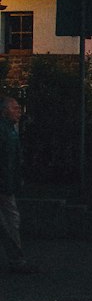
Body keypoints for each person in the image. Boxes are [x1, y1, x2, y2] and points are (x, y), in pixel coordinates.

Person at [0, 95, 36, 274]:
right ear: (5, 110)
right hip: (5, 183)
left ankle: (17, 258)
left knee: (10, 220)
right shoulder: (6, 130)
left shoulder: (8, 129)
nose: (18, 112)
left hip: (6, 182)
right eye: (15, 108)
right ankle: (17, 259)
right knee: (10, 221)